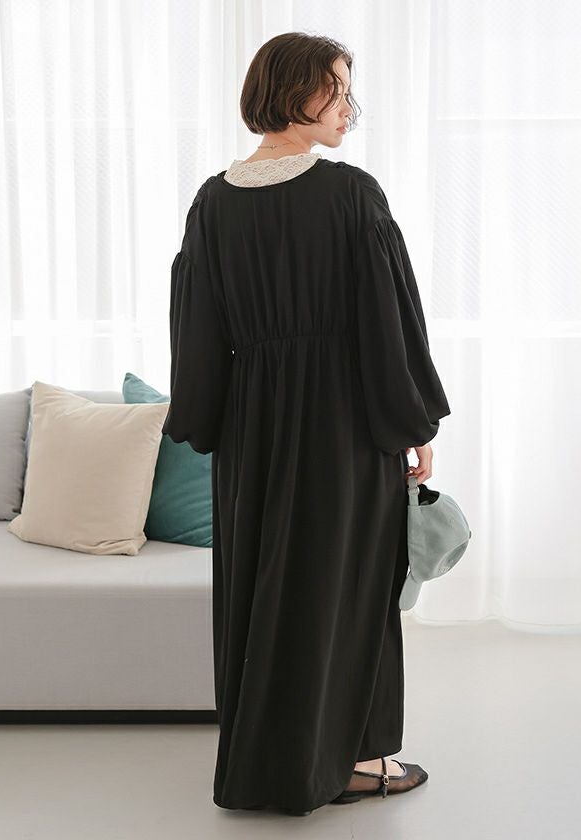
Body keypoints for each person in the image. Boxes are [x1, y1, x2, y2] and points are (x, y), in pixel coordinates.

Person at [162, 32, 451, 816]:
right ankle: (356, 760)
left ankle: (264, 767)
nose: (350, 107)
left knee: (264, 589)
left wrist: (213, 424)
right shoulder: (351, 195)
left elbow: (197, 335)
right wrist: (413, 420)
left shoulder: (213, 203)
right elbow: (386, 321)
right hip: (341, 422)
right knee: (348, 588)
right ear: (294, 91)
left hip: (254, 427)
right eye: (338, 89)